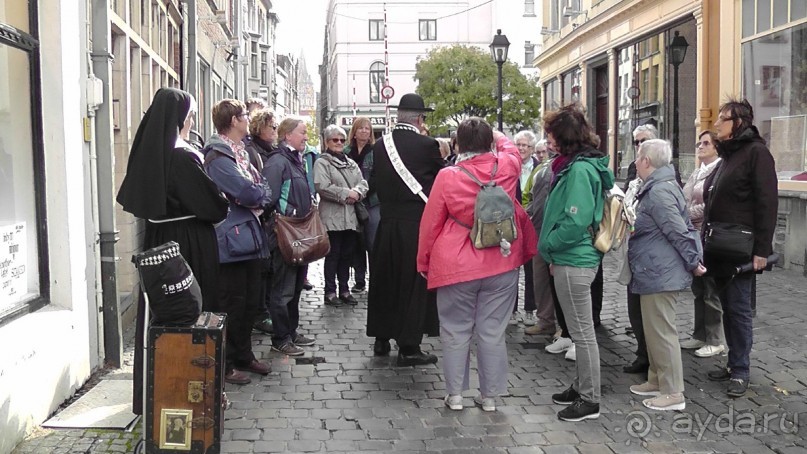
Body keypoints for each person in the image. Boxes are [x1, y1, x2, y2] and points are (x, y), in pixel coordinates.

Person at [117, 87, 229, 415]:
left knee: (162, 315)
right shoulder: (181, 156)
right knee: (191, 313)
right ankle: (190, 391)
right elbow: (212, 204)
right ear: (179, 119)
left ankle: (161, 391)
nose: (192, 121)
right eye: (190, 116)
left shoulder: (153, 152)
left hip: (160, 238)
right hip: (188, 241)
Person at [417, 118, 537, 412]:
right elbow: (511, 149)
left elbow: (431, 222)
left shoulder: (448, 176)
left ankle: (455, 395)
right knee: (492, 331)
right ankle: (490, 397)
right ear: (489, 142)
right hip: (502, 259)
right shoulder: (507, 167)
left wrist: (424, 260)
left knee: (455, 330)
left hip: (457, 263)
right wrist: (497, 135)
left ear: (458, 145)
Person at [539, 103, 612, 422]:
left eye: (552, 135)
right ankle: (582, 386)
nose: (549, 140)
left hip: (574, 258)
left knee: (582, 333)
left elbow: (575, 220)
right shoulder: (576, 165)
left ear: (565, 137)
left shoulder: (579, 170)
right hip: (572, 257)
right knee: (580, 331)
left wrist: (550, 245)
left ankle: (589, 399)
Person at [704, 98, 778, 397]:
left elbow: (767, 203)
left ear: (739, 123)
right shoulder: (729, 154)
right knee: (728, 308)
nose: (716, 123)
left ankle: (741, 370)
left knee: (739, 309)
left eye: (722, 119)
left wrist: (762, 250)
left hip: (741, 248)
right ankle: (733, 362)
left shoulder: (756, 153)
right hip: (721, 246)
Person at [627, 139, 706, 411]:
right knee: (653, 331)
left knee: (662, 332)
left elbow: (678, 230)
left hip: (660, 271)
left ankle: (673, 393)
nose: (635, 162)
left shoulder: (659, 190)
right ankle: (657, 380)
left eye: (638, 157)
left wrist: (693, 261)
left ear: (647, 161)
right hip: (654, 269)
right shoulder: (658, 187)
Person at [366, 93, 444, 365]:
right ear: (420, 119)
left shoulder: (380, 145)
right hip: (416, 225)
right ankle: (409, 347)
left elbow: (373, 181)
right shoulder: (428, 145)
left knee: (385, 280)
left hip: (387, 223)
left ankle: (381, 338)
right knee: (412, 283)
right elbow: (441, 181)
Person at [203, 99, 273, 385]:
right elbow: (248, 192)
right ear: (233, 120)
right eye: (244, 115)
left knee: (249, 304)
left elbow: (262, 188)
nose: (248, 119)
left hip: (248, 237)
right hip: (231, 242)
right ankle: (227, 362)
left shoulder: (241, 153)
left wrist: (259, 193)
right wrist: (259, 193)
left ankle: (244, 355)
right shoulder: (219, 158)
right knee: (231, 305)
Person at [262, 117, 318, 356]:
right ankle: (281, 338)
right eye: (302, 132)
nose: (306, 137)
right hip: (284, 235)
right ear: (288, 135)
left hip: (298, 234)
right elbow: (268, 199)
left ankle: (291, 332)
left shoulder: (296, 160)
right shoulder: (278, 162)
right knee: (283, 290)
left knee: (294, 288)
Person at [680, 130, 725, 358]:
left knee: (710, 289)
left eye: (706, 143)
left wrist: (686, 214)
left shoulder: (719, 170)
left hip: (708, 235)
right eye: (699, 143)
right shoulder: (698, 171)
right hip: (692, 235)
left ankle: (715, 339)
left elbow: (712, 204)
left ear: (716, 147)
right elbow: (684, 197)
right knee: (698, 289)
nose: (700, 146)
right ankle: (700, 334)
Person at [314, 125, 369, 307]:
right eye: (335, 139)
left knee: (347, 255)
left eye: (342, 140)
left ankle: (344, 289)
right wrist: (347, 193)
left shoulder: (350, 162)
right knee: (333, 255)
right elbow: (322, 186)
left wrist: (357, 193)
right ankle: (330, 291)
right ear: (327, 142)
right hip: (332, 217)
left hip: (351, 218)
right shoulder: (322, 163)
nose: (339, 143)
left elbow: (363, 183)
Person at [622, 123, 659, 376]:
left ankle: (654, 359)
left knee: (651, 310)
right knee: (633, 304)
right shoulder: (632, 169)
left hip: (651, 250)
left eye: (643, 141)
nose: (639, 146)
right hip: (632, 245)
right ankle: (642, 352)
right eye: (636, 142)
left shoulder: (664, 171)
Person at [244, 109, 279, 336]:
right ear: (260, 128)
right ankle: (260, 313)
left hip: (269, 218)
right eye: (272, 127)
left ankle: (266, 309)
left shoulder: (270, 151)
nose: (275, 131)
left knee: (270, 268)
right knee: (262, 269)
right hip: (260, 218)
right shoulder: (252, 152)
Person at [524, 140, 558, 336]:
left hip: (557, 231)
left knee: (558, 281)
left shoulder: (569, 166)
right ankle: (545, 319)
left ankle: (563, 326)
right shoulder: (543, 168)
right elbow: (531, 196)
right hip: (539, 229)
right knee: (540, 279)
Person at [346, 117, 377, 293]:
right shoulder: (346, 151)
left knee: (372, 242)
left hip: (372, 201)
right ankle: (359, 280)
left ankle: (375, 279)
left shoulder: (375, 151)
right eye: (361, 128)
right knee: (356, 242)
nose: (364, 131)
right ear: (354, 131)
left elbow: (377, 176)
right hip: (351, 202)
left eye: (367, 128)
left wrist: (362, 192)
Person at [512, 130, 539, 327]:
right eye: (518, 145)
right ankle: (511, 309)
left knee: (531, 268)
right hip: (512, 222)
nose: (521, 149)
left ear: (532, 149)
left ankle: (530, 309)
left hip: (532, 221)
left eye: (525, 145)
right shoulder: (509, 165)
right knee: (511, 267)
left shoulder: (539, 168)